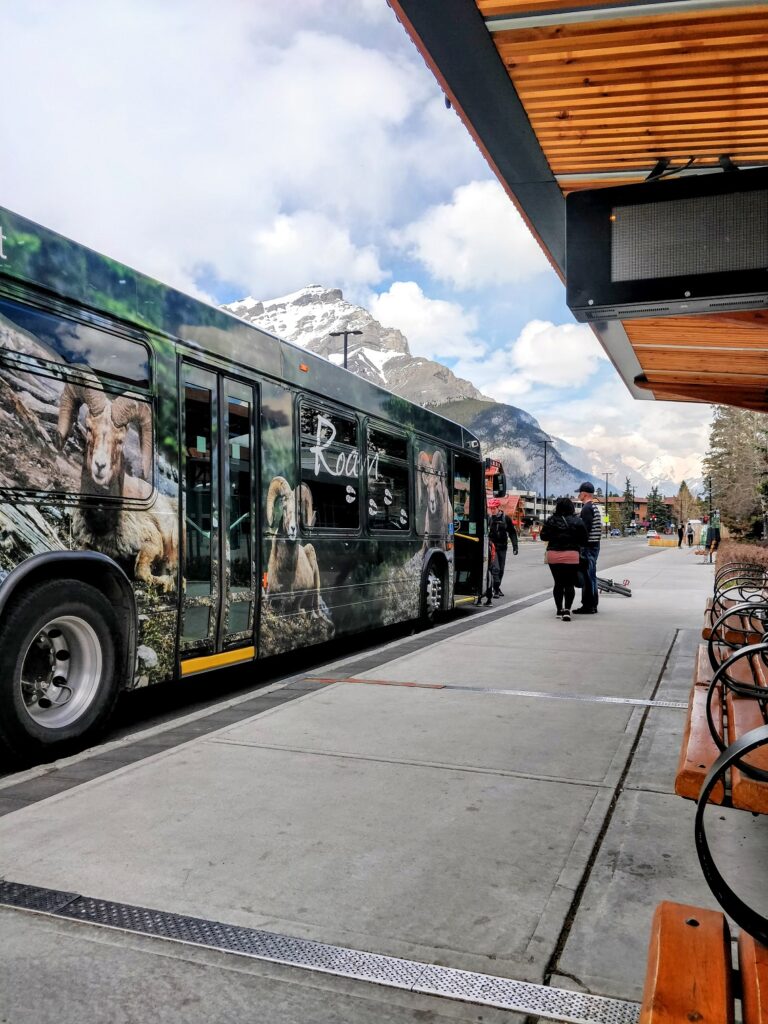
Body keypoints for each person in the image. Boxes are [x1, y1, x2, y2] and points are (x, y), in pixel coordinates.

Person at [540, 497, 588, 621]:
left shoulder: (550, 520)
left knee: (558, 583)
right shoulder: (577, 521)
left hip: (553, 555)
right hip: (571, 555)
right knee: (569, 584)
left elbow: (543, 536)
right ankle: (567, 610)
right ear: (571, 507)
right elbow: (584, 539)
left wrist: (555, 536)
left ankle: (558, 610)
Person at [574, 482, 601, 614]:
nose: (578, 495)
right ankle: (593, 604)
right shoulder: (594, 507)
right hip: (594, 545)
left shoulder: (586, 509)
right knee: (592, 576)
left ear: (584, 494)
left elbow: (585, 530)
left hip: (588, 547)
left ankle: (588, 605)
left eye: (579, 493)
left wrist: (579, 545)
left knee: (588, 577)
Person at [487, 497, 518, 598]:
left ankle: (497, 587)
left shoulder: (506, 518)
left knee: (501, 570)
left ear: (498, 507)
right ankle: (495, 590)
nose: (492, 510)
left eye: (493, 508)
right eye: (490, 508)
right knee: (495, 568)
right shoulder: (489, 519)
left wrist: (515, 546)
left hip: (503, 548)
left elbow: (512, 532)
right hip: (492, 548)